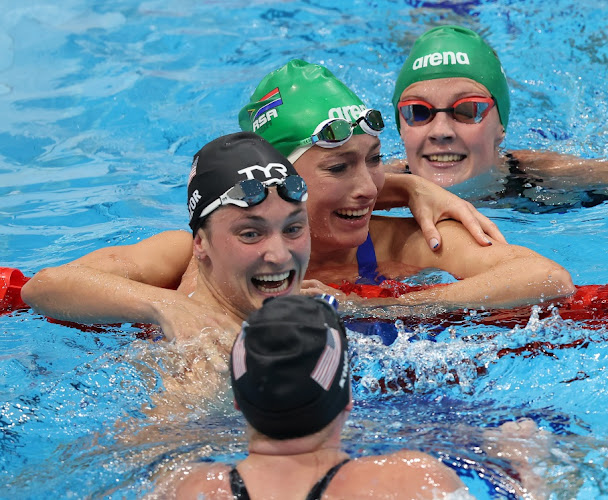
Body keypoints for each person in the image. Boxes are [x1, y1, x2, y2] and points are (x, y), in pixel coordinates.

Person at [20, 138, 504, 342]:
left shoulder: (322, 303)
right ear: (201, 244)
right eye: (251, 233)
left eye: (293, 228)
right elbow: (43, 286)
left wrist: (408, 186)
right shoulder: (199, 342)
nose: (279, 254)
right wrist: (163, 306)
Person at [238, 59, 575, 307]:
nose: (368, 188)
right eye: (339, 167)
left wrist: (382, 307)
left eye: (373, 159)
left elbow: (547, 278)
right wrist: (408, 187)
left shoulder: (407, 241)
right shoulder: (219, 254)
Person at [389, 25, 608, 232]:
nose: (441, 130)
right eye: (418, 112)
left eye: (468, 110)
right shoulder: (374, 186)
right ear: (400, 129)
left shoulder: (556, 175)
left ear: (501, 127)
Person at [160, 294, 473, 499]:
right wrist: (520, 469)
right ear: (348, 395)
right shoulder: (408, 481)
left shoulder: (186, 487)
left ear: (238, 402)